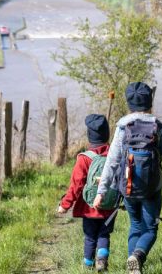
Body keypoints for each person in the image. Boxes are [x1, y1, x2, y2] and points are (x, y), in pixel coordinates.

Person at [93, 82, 162, 274]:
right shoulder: (159, 126)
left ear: (129, 103)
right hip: (152, 189)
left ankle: (133, 266)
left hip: (128, 186)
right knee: (150, 229)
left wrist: (101, 192)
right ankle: (137, 257)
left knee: (136, 225)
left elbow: (112, 161)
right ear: (150, 101)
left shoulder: (123, 126)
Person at [58, 114, 117, 271]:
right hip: (109, 205)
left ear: (89, 136)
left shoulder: (84, 159)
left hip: (89, 208)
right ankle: (102, 259)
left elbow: (76, 186)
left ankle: (88, 265)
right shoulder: (113, 154)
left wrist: (65, 205)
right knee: (104, 234)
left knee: (90, 236)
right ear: (107, 134)